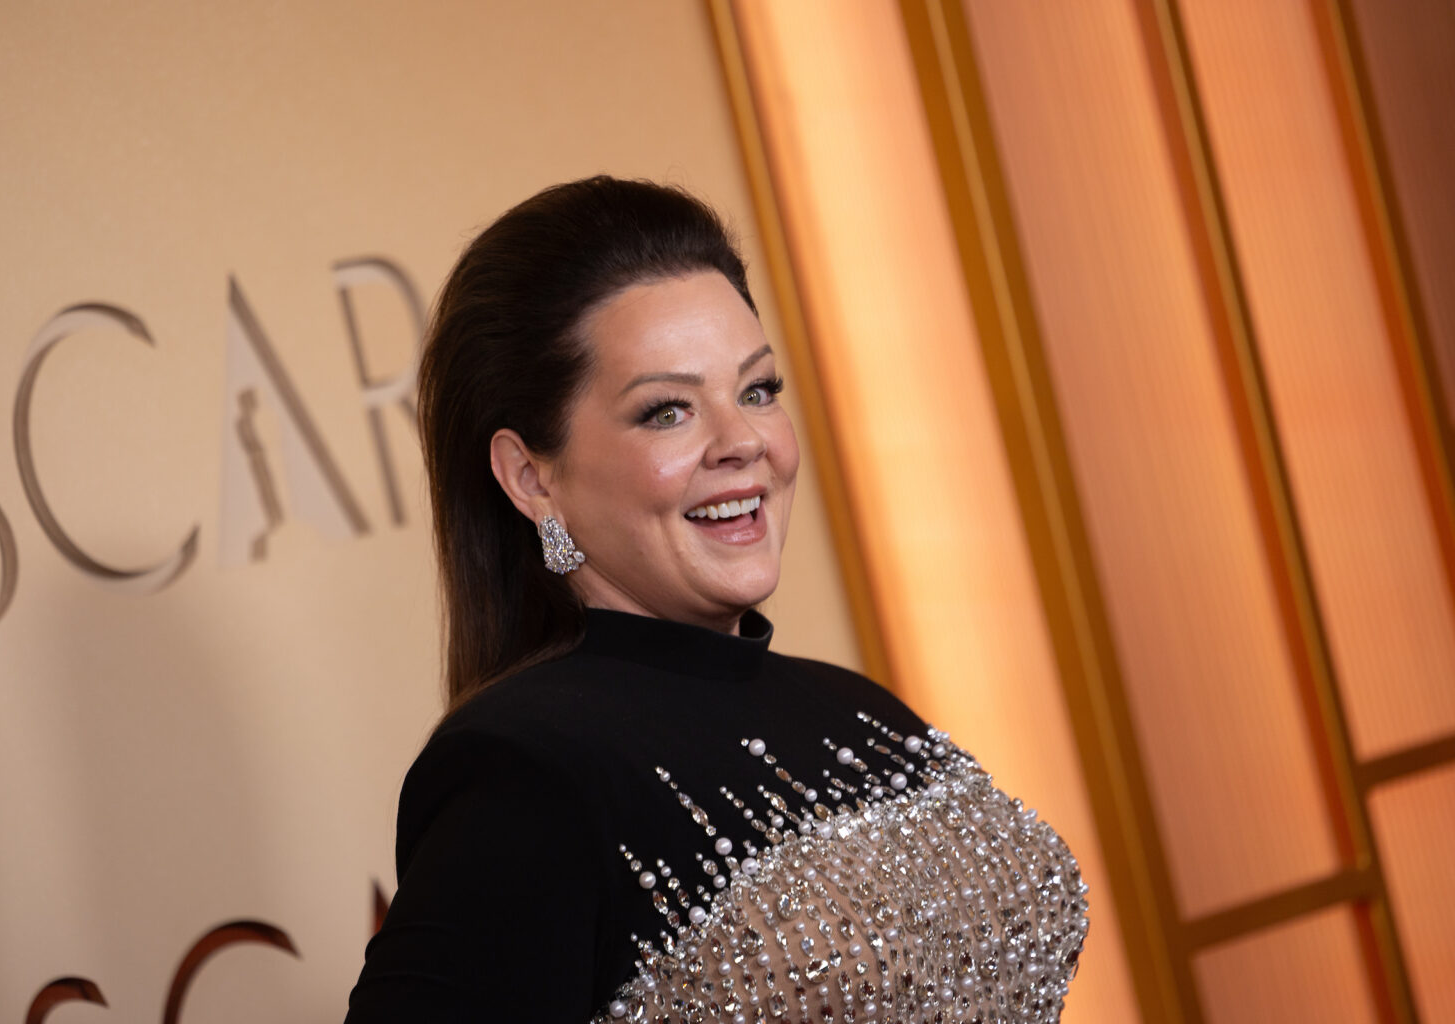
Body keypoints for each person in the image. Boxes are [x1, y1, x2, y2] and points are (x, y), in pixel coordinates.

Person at [344, 176, 1088, 1023]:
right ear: (531, 476)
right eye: (667, 411)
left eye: (758, 390)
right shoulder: (526, 771)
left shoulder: (855, 707)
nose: (742, 443)